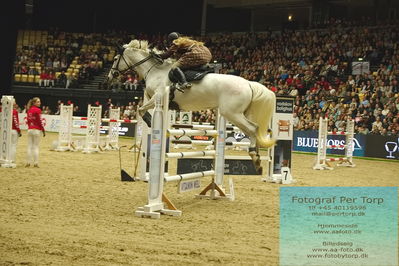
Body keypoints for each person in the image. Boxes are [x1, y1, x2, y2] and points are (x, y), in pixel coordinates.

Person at [26, 97, 45, 167]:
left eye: (39, 102)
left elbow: (28, 121)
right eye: (38, 102)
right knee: (36, 147)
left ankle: (28, 162)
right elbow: (40, 121)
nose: (39, 103)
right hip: (36, 130)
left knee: (29, 146)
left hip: (30, 129)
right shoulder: (38, 110)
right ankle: (36, 163)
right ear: (34, 103)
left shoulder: (29, 110)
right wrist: (43, 129)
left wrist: (29, 127)